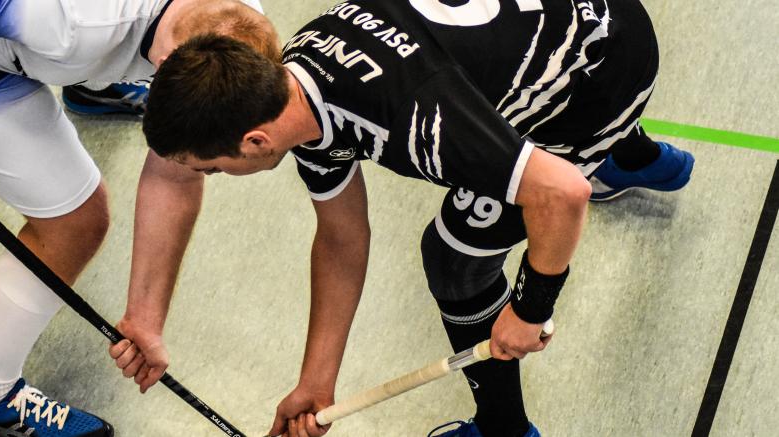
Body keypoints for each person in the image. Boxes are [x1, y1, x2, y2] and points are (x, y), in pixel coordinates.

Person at [108, 0, 694, 436]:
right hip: (545, 30)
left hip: (607, 60)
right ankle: (630, 154)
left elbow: (563, 195)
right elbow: (342, 238)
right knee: (501, 111)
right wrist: (317, 382)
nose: (212, 179)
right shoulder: (291, 82)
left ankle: (504, 430)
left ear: (256, 141)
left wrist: (530, 308)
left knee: (456, 259)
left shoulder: (420, 125)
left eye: (211, 170)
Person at [0, 0, 279, 435]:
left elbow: (175, 176)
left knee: (86, 54)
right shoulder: (71, 21)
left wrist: (145, 319)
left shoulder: (236, 23)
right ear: (166, 66)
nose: (210, 172)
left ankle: (90, 84)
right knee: (76, 224)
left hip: (72, 43)